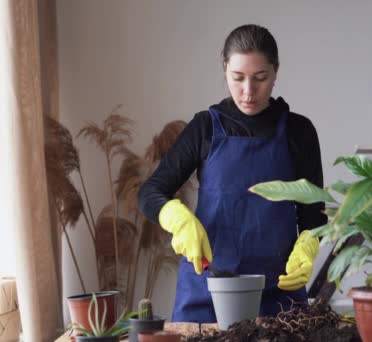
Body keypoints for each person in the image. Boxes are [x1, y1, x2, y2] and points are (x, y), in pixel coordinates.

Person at [137, 24, 326, 323]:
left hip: (278, 295)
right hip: (206, 294)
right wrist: (177, 217)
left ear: (275, 72)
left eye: (260, 78)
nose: (248, 92)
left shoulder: (299, 131)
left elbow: (313, 215)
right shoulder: (204, 128)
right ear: (225, 69)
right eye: (238, 78)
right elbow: (150, 193)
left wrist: (309, 243)